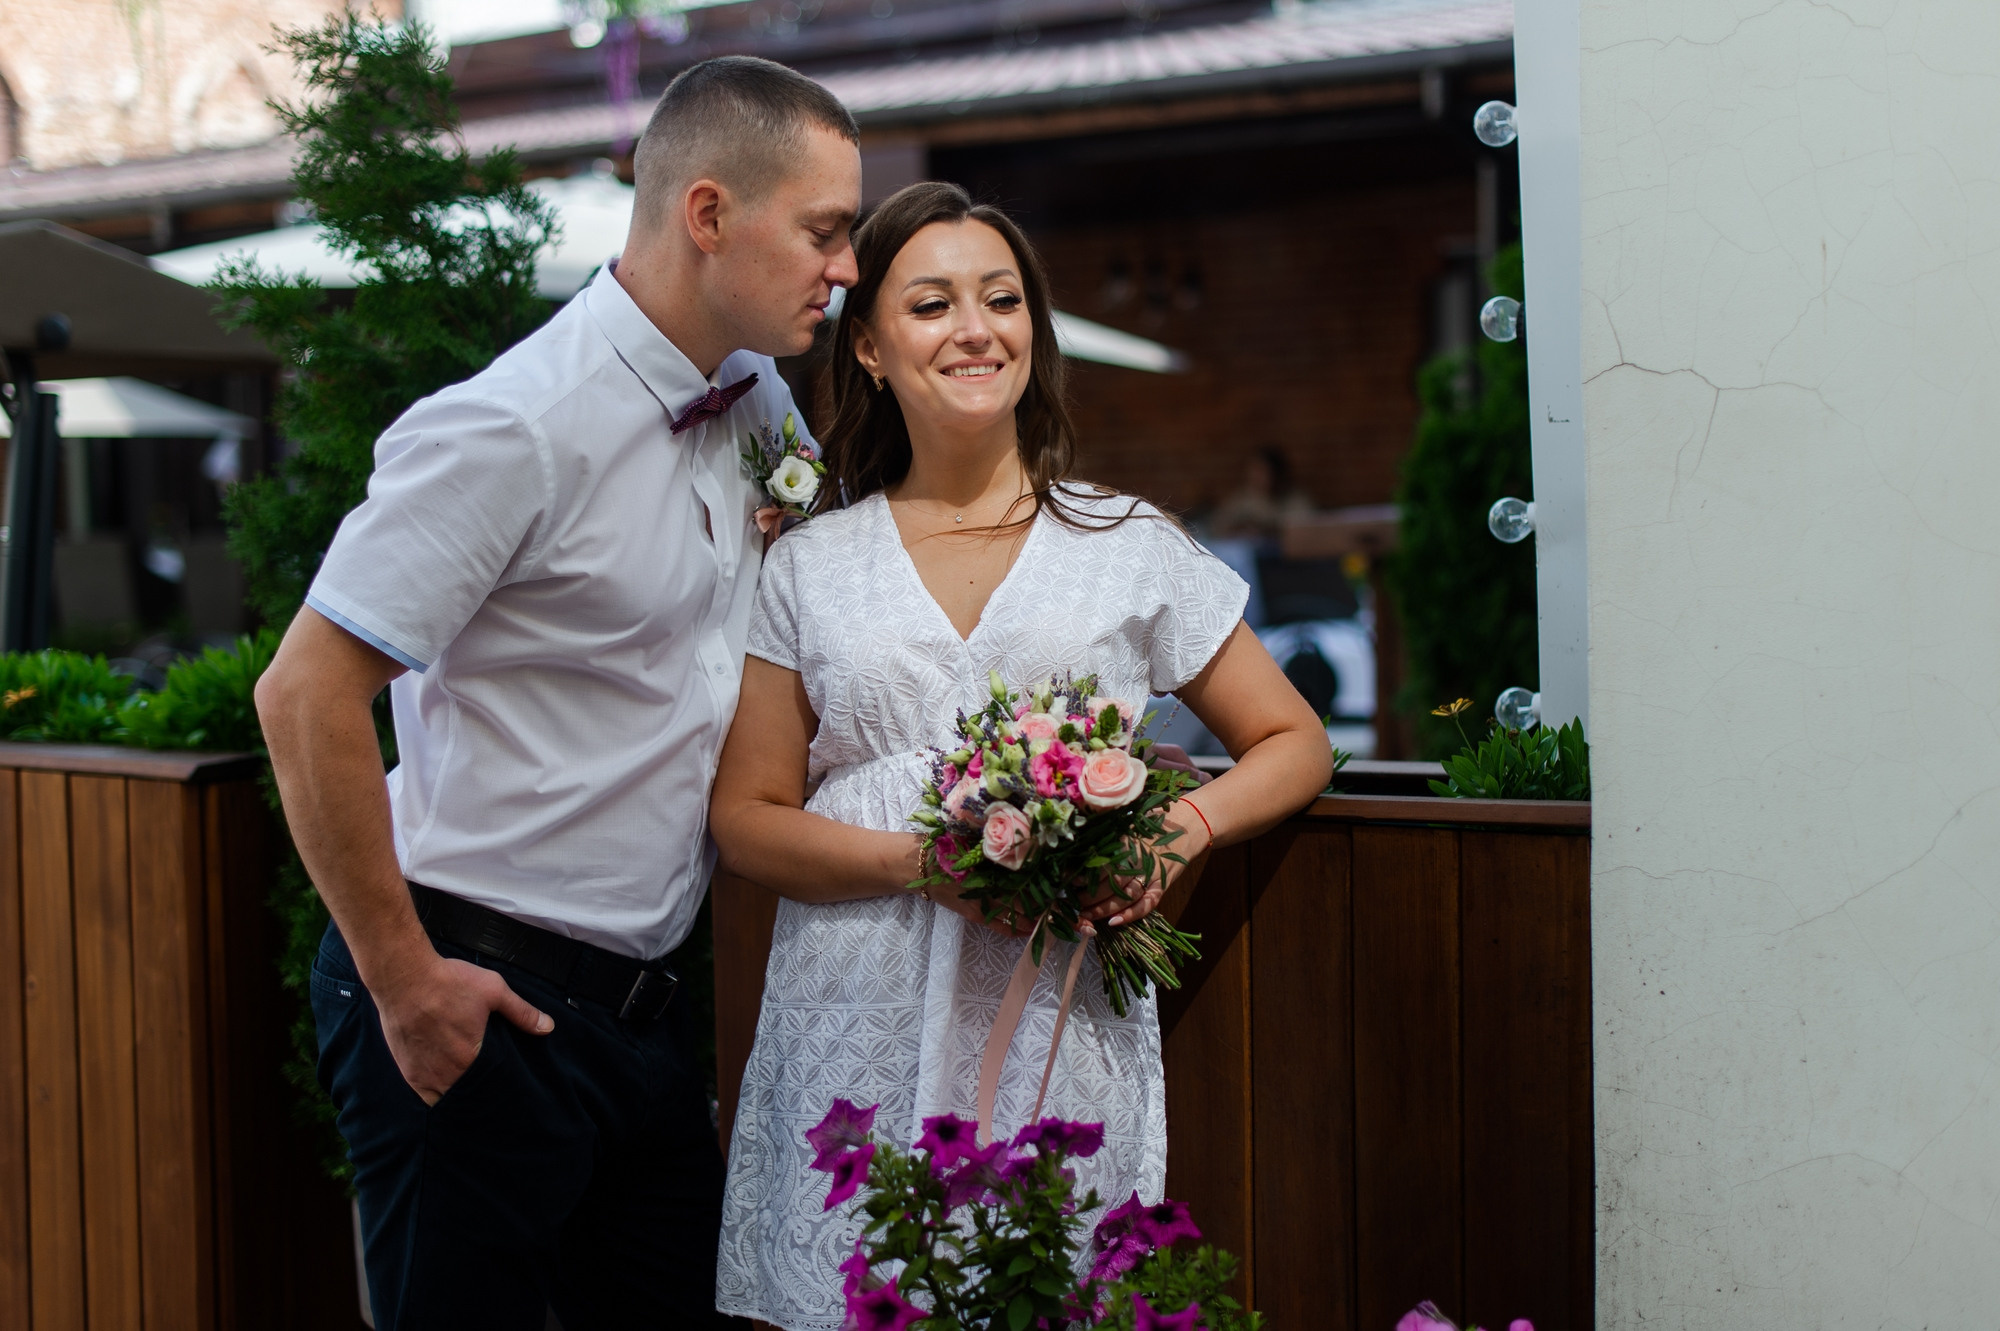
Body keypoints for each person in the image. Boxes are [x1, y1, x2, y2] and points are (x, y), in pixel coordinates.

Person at [253, 56, 861, 1330]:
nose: (843, 267)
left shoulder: (758, 399)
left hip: (643, 1016)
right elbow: (304, 692)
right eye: (823, 230)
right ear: (708, 214)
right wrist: (405, 980)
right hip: (472, 986)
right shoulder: (511, 426)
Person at [708, 181, 1333, 1330]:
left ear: (1032, 336)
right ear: (870, 345)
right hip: (854, 1005)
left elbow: (1293, 738)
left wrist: (1176, 829)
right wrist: (921, 863)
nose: (974, 327)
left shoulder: (1127, 544)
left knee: (1050, 1290)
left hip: (1055, 1010)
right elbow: (745, 817)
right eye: (931, 302)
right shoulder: (808, 564)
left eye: (1001, 299)